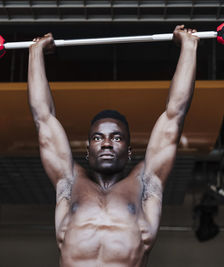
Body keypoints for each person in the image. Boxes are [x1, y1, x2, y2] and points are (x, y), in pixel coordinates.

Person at [28, 25, 199, 267]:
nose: (107, 143)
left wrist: (189, 46)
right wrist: (35, 52)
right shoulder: (69, 182)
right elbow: (43, 118)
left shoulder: (145, 183)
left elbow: (175, 115)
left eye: (116, 138)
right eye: (98, 138)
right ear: (87, 151)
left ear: (130, 151)